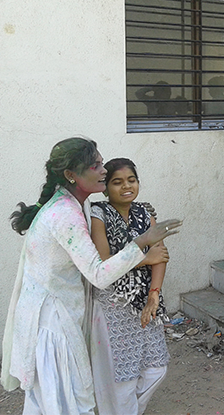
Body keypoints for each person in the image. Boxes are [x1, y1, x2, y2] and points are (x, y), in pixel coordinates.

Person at [0, 138, 181, 415]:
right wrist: (143, 243)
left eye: (101, 163)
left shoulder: (74, 204)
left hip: (57, 316)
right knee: (60, 402)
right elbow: (99, 273)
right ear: (71, 175)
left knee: (52, 402)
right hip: (51, 324)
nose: (103, 171)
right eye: (95, 166)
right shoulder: (65, 214)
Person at [87, 158, 171, 415]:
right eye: (117, 182)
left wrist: (154, 295)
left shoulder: (145, 213)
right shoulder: (99, 214)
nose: (126, 186)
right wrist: (144, 258)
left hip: (144, 301)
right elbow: (104, 263)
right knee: (122, 373)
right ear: (105, 188)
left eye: (131, 180)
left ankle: (128, 410)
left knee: (157, 367)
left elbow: (161, 256)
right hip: (113, 303)